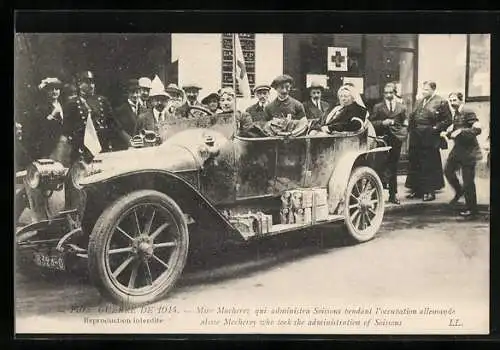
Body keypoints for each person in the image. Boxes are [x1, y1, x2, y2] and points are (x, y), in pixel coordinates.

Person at [57, 71, 118, 165]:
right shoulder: (72, 104)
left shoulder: (102, 101)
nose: (91, 85)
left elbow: (114, 124)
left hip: (102, 149)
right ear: (80, 84)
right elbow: (66, 131)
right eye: (87, 82)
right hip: (81, 151)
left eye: (92, 82)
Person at [405, 81, 452, 202]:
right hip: (416, 137)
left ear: (433, 90)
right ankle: (417, 190)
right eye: (423, 89)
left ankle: (429, 191)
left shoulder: (441, 102)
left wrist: (436, 129)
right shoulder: (420, 101)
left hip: (429, 137)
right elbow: (413, 117)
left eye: (426, 89)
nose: (423, 91)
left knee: (429, 164)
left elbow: (448, 120)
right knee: (416, 163)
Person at [444, 92, 483, 218]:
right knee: (448, 170)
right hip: (458, 150)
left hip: (469, 152)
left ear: (462, 100)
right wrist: (448, 133)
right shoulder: (456, 113)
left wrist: (461, 131)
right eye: (450, 100)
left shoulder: (468, 111)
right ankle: (459, 191)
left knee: (468, 181)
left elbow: (477, 129)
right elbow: (455, 131)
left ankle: (472, 209)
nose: (452, 102)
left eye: (454, 100)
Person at [370, 82, 408, 204]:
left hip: (396, 140)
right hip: (383, 140)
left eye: (391, 92)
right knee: (380, 166)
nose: (388, 95)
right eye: (386, 93)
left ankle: (393, 195)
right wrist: (382, 123)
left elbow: (405, 122)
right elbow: (371, 123)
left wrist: (403, 133)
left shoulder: (401, 107)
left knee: (394, 167)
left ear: (394, 93)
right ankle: (377, 196)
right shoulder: (378, 107)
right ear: (383, 94)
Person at [114, 78, 142, 149]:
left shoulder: (144, 109)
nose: (135, 95)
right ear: (128, 93)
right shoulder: (120, 110)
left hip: (143, 146)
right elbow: (119, 130)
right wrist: (129, 141)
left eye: (137, 92)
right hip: (128, 147)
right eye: (132, 92)